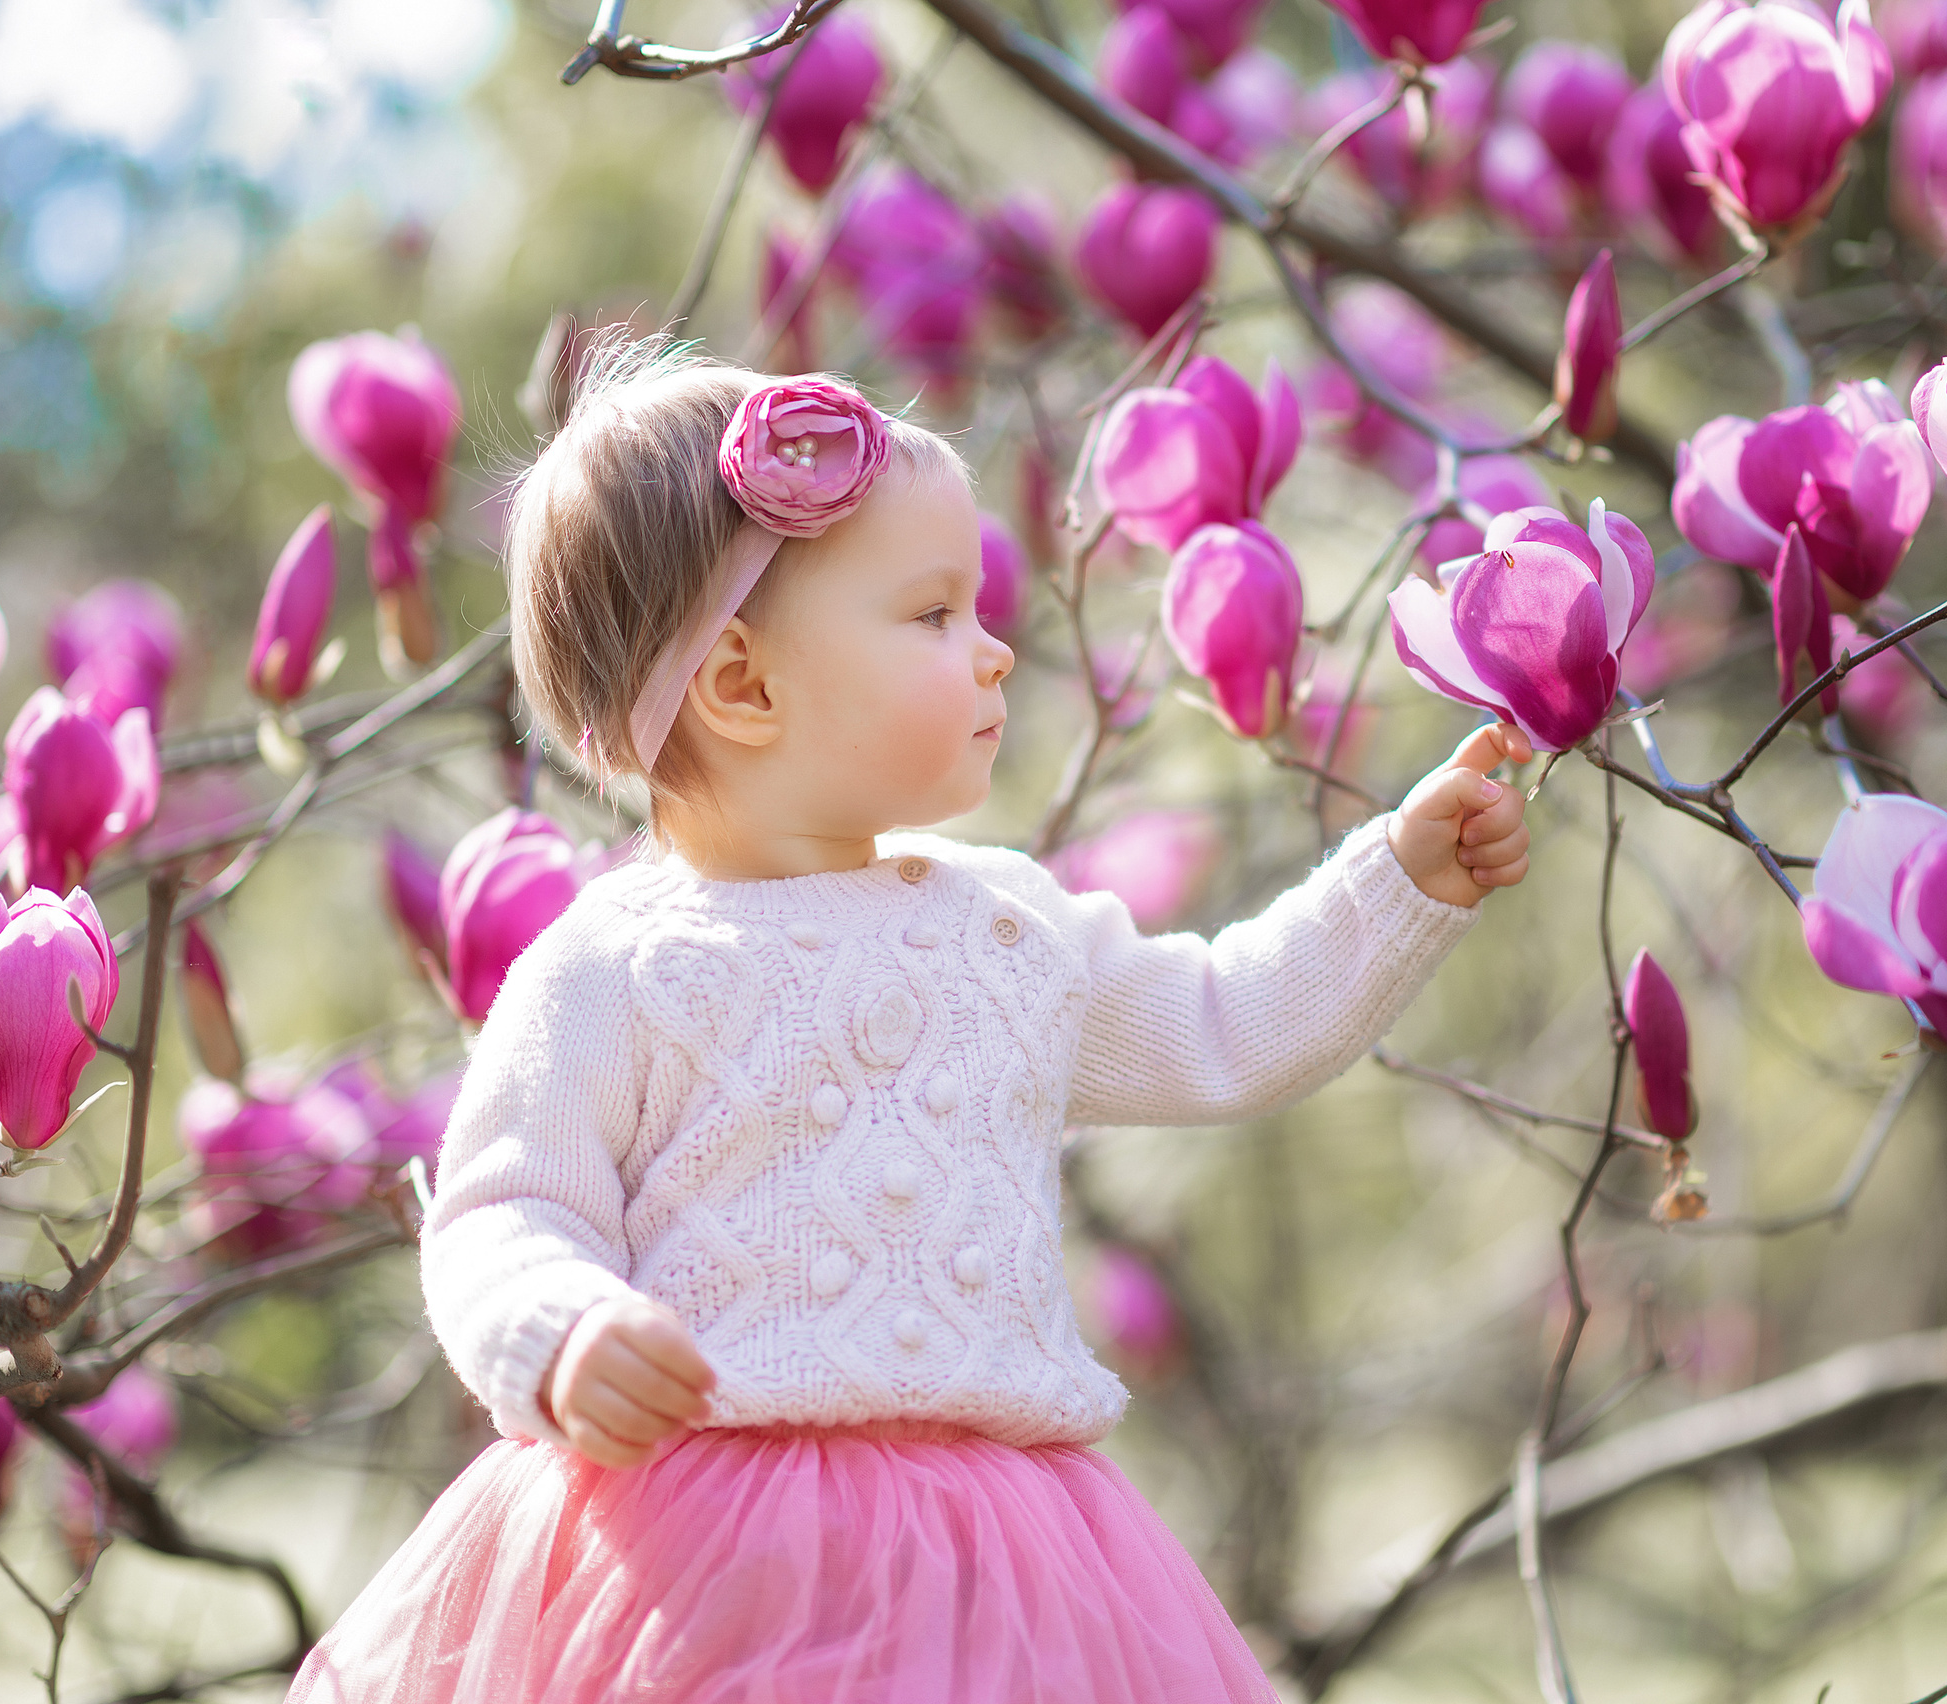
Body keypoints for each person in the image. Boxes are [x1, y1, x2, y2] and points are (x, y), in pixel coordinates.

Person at [287, 340, 1533, 1702]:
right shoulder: (610, 969)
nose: (995, 651)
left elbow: (1224, 1021)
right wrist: (562, 1332)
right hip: (706, 1564)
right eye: (934, 614)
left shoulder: (1006, 932)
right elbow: (506, 1211)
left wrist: (1398, 884)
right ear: (744, 687)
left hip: (1005, 1564)